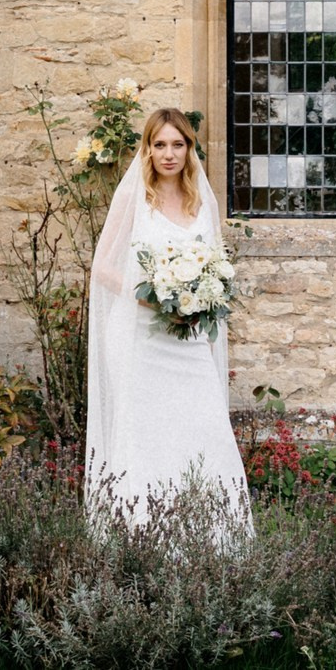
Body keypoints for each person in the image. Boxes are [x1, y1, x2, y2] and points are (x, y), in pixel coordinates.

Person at [84, 107, 253, 534]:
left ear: (189, 149)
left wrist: (198, 308)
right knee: (147, 433)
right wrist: (155, 297)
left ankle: (214, 535)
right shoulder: (135, 198)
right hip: (143, 340)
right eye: (159, 144)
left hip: (191, 339)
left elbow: (215, 269)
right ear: (148, 149)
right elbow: (102, 268)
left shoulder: (203, 203)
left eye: (178, 144)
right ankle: (141, 537)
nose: (169, 153)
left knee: (203, 425)